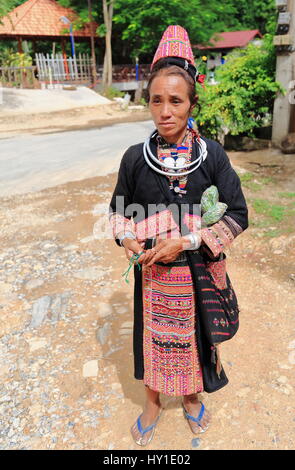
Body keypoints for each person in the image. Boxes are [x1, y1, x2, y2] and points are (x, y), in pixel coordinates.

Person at [109, 25, 248, 446]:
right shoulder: (135, 159)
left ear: (191, 104)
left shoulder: (213, 157)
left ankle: (190, 397)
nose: (165, 111)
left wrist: (186, 241)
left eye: (176, 101)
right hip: (152, 279)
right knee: (153, 339)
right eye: (156, 100)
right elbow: (118, 210)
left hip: (196, 273)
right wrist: (127, 238)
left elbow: (238, 214)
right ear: (148, 103)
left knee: (193, 337)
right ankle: (152, 401)